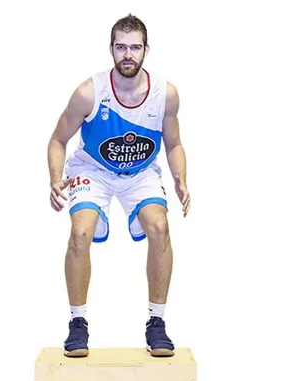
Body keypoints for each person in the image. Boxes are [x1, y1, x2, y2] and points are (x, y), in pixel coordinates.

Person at [48, 14, 190, 358]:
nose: (128, 54)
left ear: (146, 50)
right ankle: (77, 323)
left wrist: (180, 178)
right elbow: (57, 139)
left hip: (140, 172)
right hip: (93, 169)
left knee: (159, 226)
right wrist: (54, 178)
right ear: (111, 49)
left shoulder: (166, 94)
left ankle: (157, 323)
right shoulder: (89, 92)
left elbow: (173, 143)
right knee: (80, 232)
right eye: (121, 47)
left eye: (135, 47)